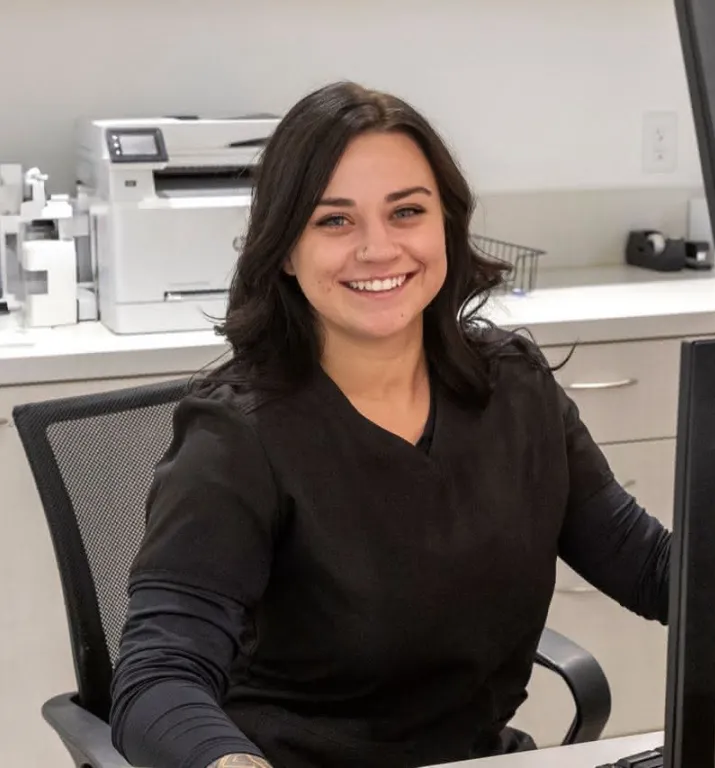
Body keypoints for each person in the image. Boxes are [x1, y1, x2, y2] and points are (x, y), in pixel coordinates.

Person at [109, 80, 672, 768]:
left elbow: (651, 568)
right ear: (285, 250)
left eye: (406, 211)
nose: (378, 249)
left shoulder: (513, 389)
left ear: (446, 225)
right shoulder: (237, 439)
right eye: (335, 221)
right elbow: (156, 679)